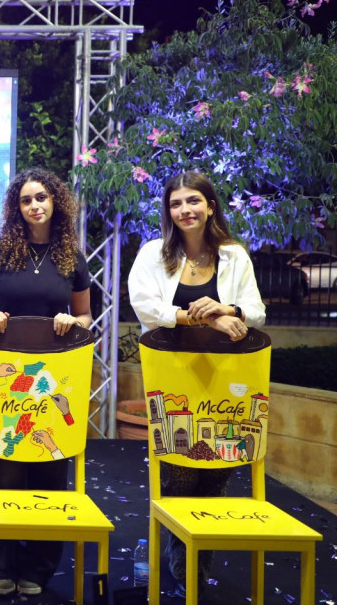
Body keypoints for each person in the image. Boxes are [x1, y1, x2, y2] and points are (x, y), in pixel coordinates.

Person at [128, 170, 265, 591]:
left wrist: (229, 311)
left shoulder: (234, 255)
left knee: (217, 472)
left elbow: (256, 311)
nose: (184, 210)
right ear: (167, 211)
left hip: (227, 380)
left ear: (210, 206)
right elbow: (146, 308)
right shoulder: (153, 254)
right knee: (180, 473)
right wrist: (204, 318)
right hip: (173, 379)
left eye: (193, 201)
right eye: (176, 203)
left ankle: (194, 563)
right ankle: (184, 563)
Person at [0, 167, 93, 597]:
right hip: (9, 379)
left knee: (51, 470)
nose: (34, 205)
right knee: (7, 467)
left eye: (41, 198)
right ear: (16, 208)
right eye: (25, 200)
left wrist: (72, 321)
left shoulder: (72, 255)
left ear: (55, 201)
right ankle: (3, 562)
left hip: (54, 380)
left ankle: (38, 567)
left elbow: (86, 316)